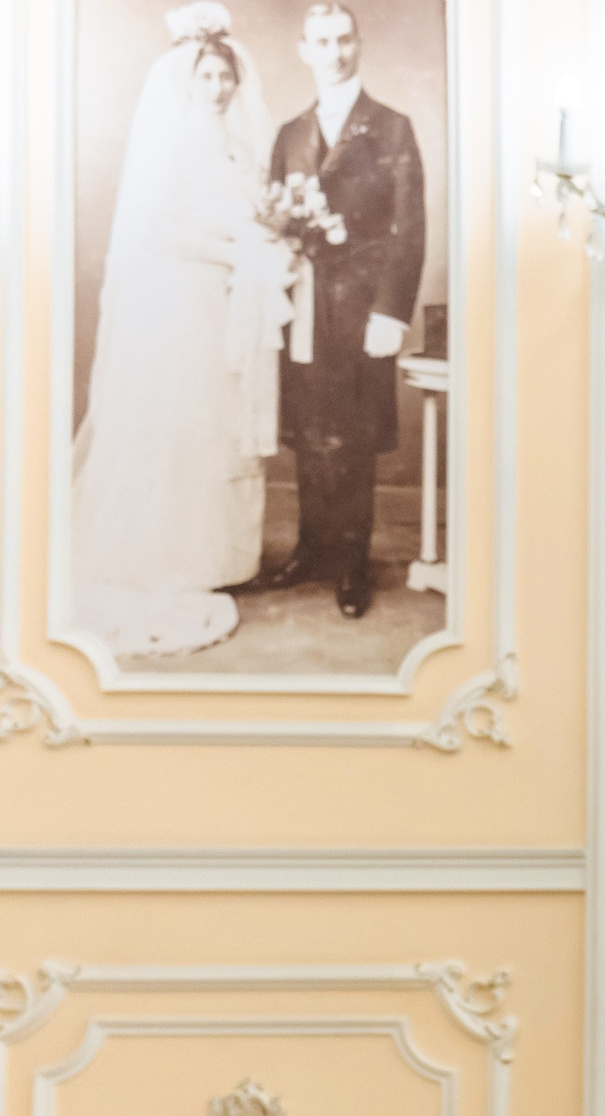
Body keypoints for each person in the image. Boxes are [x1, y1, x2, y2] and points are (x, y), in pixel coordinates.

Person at [68, 3, 293, 660]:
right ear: (187, 82)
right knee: (184, 416)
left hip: (229, 298)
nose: (220, 87)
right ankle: (172, 555)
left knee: (222, 418)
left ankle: (223, 554)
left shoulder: (243, 145)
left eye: (226, 76)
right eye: (208, 77)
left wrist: (263, 241)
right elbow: (163, 231)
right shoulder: (172, 142)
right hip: (184, 298)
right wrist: (237, 254)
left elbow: (249, 211)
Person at [222, 3, 424, 620]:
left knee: (355, 434)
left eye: (343, 40)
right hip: (304, 301)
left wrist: (391, 311)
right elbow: (276, 219)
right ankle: (311, 548)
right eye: (321, 41)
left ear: (357, 45)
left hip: (363, 307)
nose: (333, 52)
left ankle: (352, 561)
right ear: (303, 50)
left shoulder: (390, 127)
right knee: (309, 429)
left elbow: (407, 228)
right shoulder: (290, 133)